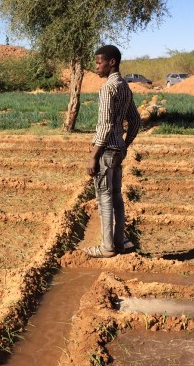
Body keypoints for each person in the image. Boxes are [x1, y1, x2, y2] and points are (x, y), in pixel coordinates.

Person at [83, 45, 141, 258]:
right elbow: (135, 120)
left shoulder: (108, 88)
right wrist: (125, 143)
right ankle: (118, 241)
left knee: (104, 197)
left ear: (112, 62)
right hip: (118, 149)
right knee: (116, 196)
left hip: (106, 150)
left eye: (99, 63)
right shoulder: (125, 86)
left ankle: (107, 247)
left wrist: (93, 156)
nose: (96, 67)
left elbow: (105, 126)